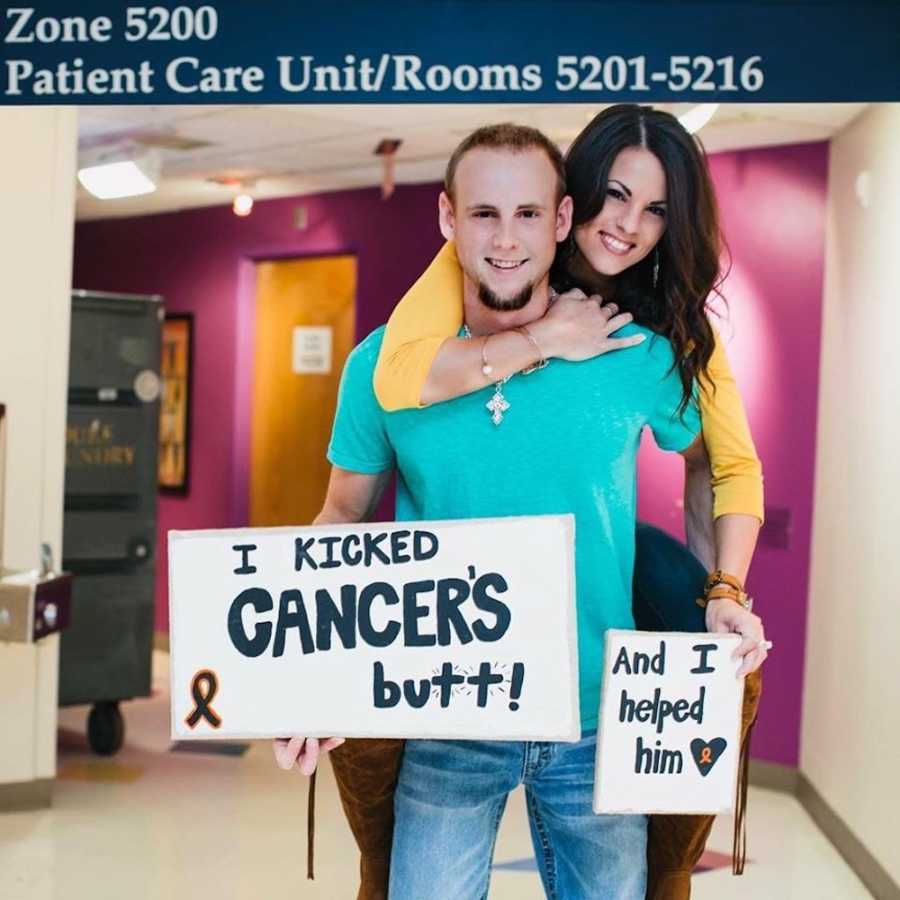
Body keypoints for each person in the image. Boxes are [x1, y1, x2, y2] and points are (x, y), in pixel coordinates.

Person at [276, 120, 767, 900]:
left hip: (593, 720)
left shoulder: (631, 351)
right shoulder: (381, 366)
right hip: (446, 720)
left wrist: (724, 589)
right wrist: (300, 673)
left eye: (529, 214)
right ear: (448, 220)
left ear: (560, 219)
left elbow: (715, 460)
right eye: (484, 214)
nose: (507, 239)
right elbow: (340, 513)